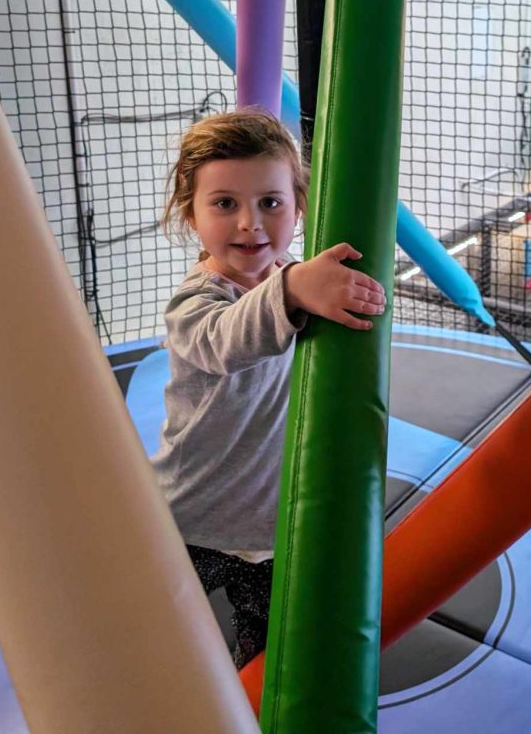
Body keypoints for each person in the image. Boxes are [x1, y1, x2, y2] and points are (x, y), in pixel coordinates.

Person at [151, 108, 386, 668]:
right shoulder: (198, 302)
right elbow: (223, 341)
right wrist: (293, 288)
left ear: (299, 206)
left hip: (271, 528)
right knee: (151, 634)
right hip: (191, 519)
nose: (250, 224)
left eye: (271, 203)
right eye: (224, 203)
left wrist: (303, 286)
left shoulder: (299, 282)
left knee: (267, 652)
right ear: (191, 214)